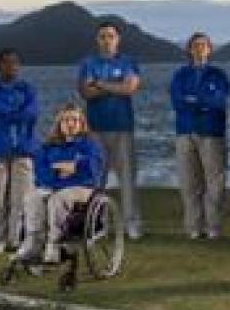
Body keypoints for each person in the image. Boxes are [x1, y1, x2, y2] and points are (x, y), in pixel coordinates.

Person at [77, 22, 143, 239]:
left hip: (123, 127)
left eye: (111, 36)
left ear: (118, 39)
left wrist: (100, 84)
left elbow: (130, 88)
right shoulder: (88, 63)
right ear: (97, 39)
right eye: (103, 36)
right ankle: (98, 223)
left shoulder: (128, 62)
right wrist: (115, 85)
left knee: (127, 179)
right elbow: (86, 93)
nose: (107, 40)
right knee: (96, 179)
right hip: (95, 128)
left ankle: (131, 224)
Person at [14, 103, 103, 263]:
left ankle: (54, 245)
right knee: (32, 197)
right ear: (59, 124)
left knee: (58, 198)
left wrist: (68, 168)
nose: (70, 124)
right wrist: (69, 168)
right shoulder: (47, 148)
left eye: (75, 120)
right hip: (52, 187)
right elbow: (41, 175)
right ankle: (33, 244)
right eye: (66, 120)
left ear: (81, 124)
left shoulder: (89, 145)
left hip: (83, 189)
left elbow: (92, 170)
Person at [169, 32, 230, 239]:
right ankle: (194, 228)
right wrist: (203, 102)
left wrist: (193, 101)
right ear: (189, 49)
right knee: (189, 183)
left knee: (215, 183)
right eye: (195, 45)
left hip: (212, 133)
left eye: (203, 45)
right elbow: (177, 103)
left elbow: (219, 102)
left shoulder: (219, 75)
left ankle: (213, 227)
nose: (199, 48)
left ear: (209, 49)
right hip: (185, 133)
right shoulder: (180, 75)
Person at [0, 48, 38, 254]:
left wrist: (11, 113)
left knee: (20, 199)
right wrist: (16, 112)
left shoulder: (28, 89)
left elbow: (31, 113)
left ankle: (15, 239)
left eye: (15, 62)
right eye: (5, 62)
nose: (11, 66)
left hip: (23, 149)